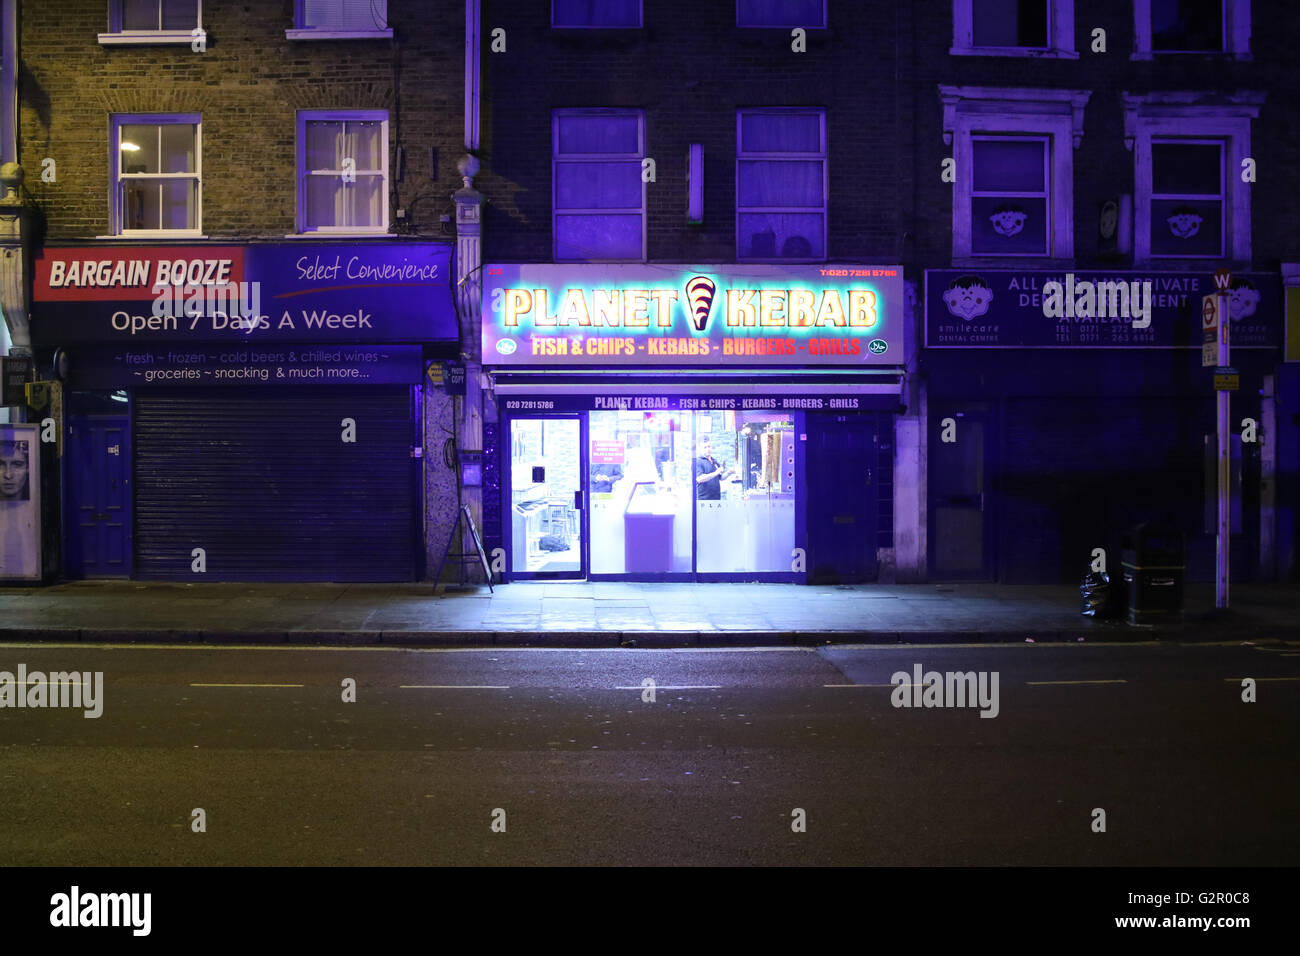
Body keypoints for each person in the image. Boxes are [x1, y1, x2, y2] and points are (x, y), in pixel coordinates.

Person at [693, 435, 729, 500]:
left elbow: (721, 477)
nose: (708, 449)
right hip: (704, 500)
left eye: (709, 446)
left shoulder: (714, 461)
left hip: (717, 498)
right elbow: (700, 478)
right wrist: (716, 472)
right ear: (700, 449)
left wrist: (729, 472)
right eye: (705, 447)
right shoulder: (697, 462)